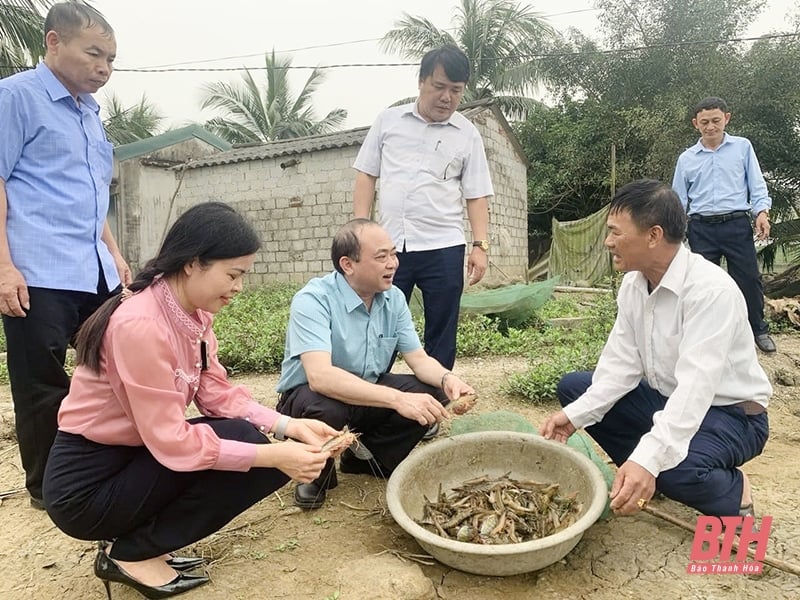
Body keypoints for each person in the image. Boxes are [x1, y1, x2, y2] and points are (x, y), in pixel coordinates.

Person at [42, 202, 339, 599]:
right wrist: (277, 456)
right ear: (193, 263)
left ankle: (144, 541)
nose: (238, 287)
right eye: (232, 274)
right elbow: (172, 442)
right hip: (87, 487)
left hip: (131, 456)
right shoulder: (141, 326)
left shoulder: (192, 317)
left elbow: (215, 393)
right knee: (258, 458)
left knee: (244, 437)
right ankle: (130, 553)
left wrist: (289, 426)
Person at [540, 179, 770, 519]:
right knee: (576, 390)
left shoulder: (710, 291)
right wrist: (573, 418)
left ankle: (735, 493)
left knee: (672, 468)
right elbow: (620, 368)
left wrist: (650, 459)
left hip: (732, 415)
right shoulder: (635, 285)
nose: (608, 242)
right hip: (669, 399)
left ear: (653, 235)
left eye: (616, 233)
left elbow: (695, 389)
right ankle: (642, 475)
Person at [0, 1, 132, 510]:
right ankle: (48, 488)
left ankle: (102, 461)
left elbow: (91, 194)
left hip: (93, 268)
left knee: (113, 367)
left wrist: (114, 252)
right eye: (94, 53)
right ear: (54, 42)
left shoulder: (91, 115)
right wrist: (5, 266)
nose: (104, 68)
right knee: (43, 382)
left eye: (112, 59)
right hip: (38, 269)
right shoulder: (16, 98)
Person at [275, 218, 475, 510]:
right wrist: (397, 399)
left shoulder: (393, 299)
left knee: (429, 394)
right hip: (311, 396)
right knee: (323, 406)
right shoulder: (313, 299)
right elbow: (320, 377)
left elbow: (418, 359)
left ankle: (365, 458)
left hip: (367, 390)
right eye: (381, 256)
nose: (392, 263)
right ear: (348, 264)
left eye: (393, 254)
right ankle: (315, 475)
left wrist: (447, 379)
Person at [352, 44, 493, 379]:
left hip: (443, 246)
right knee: (379, 322)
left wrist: (480, 246)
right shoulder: (389, 121)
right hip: (390, 247)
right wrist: (360, 230)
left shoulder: (467, 135)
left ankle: (434, 403)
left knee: (441, 330)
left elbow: (476, 195)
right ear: (421, 82)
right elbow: (366, 174)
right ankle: (373, 397)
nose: (447, 97)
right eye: (439, 87)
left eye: (456, 91)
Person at [672, 96, 775, 353]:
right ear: (695, 123)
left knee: (749, 279)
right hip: (701, 228)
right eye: (704, 122)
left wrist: (762, 212)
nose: (710, 127)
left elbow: (756, 184)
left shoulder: (742, 148)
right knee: (702, 285)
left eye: (716, 120)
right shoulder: (686, 159)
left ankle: (757, 330)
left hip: (736, 225)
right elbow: (677, 199)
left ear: (726, 118)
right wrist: (675, 231)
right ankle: (704, 335)